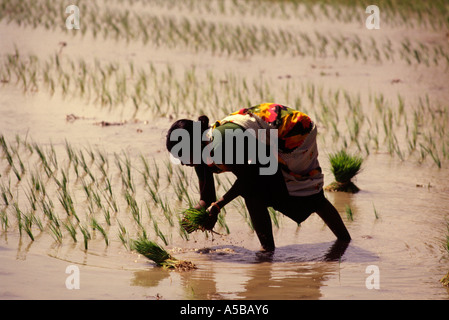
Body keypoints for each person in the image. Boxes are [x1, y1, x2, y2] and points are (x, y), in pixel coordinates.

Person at [166, 103, 351, 252]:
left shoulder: (222, 142)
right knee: (260, 191)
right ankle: (270, 249)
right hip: (270, 137)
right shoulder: (201, 155)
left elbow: (249, 178)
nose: (183, 163)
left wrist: (218, 206)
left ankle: (342, 240)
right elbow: (206, 198)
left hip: (294, 131)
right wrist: (194, 214)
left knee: (307, 193)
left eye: (183, 155)